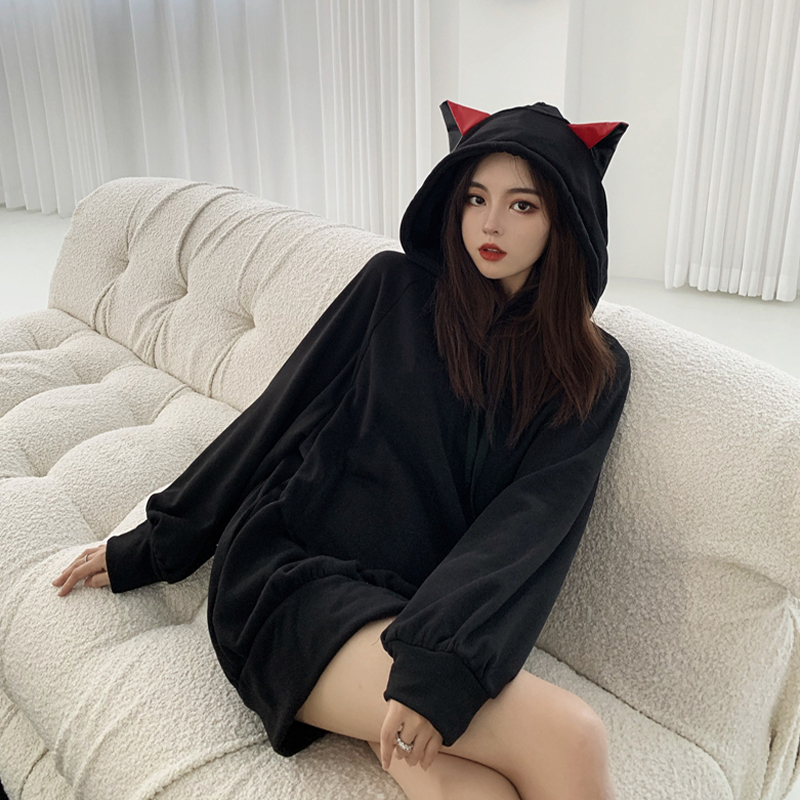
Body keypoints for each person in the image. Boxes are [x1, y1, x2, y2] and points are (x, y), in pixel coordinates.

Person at [53, 100, 631, 800]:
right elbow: (274, 417)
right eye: (475, 198)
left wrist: (437, 657)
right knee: (574, 736)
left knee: (465, 786)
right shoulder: (394, 289)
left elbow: (529, 527)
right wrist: (151, 544)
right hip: (293, 577)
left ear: (565, 221)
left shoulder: (591, 371)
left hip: (414, 608)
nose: (489, 224)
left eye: (523, 205)